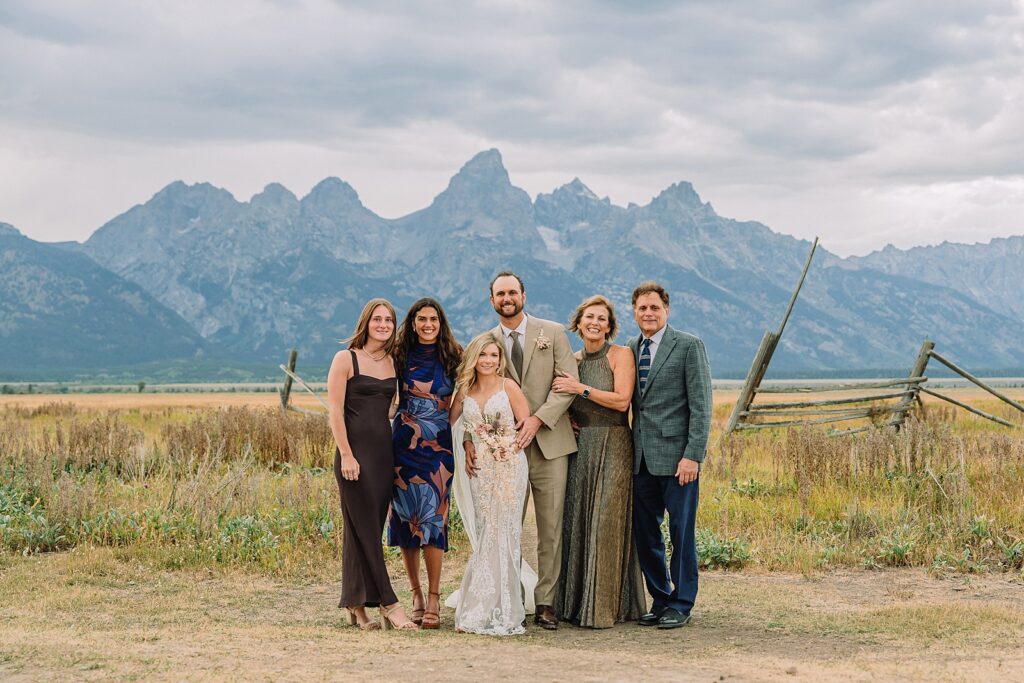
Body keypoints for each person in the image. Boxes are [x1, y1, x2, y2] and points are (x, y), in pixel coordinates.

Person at [475, 271, 578, 630]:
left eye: (512, 292)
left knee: (551, 527)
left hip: (550, 443)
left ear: (523, 295)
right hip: (503, 452)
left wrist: (538, 420)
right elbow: (473, 390)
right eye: (500, 293)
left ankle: (546, 602)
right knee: (507, 526)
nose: (507, 298)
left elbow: (567, 384)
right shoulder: (484, 342)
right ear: (492, 300)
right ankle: (512, 598)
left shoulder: (553, 332)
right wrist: (471, 441)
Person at [551, 295, 645, 628]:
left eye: (602, 318)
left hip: (614, 443)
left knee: (606, 521)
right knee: (577, 521)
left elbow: (621, 401)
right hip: (580, 448)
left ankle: (604, 608)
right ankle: (574, 605)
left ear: (609, 326)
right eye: (589, 317)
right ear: (578, 323)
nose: (595, 322)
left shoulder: (620, 355)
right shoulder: (571, 360)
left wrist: (581, 388)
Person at [327, 298, 417, 631]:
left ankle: (355, 604)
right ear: (366, 322)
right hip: (354, 456)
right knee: (364, 529)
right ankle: (389, 604)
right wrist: (346, 454)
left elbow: (390, 410)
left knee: (363, 530)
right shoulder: (346, 358)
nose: (383, 325)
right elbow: (335, 411)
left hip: (383, 456)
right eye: (377, 319)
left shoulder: (393, 362)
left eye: (389, 320)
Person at [626, 281, 712, 629]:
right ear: (634, 312)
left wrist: (693, 456)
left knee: (681, 533)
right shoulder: (630, 348)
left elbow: (702, 406)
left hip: (679, 461)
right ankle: (661, 598)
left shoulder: (688, 346)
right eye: (642, 308)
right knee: (646, 534)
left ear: (666, 310)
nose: (648, 313)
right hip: (641, 459)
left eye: (655, 308)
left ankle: (682, 602)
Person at [387, 298, 461, 630]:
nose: (428, 324)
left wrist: (450, 427)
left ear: (440, 323)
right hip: (403, 444)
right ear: (413, 323)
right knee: (406, 519)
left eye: (433, 319)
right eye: (422, 319)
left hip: (439, 446)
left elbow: (466, 396)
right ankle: (415, 594)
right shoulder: (399, 354)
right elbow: (386, 396)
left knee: (434, 519)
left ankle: (434, 598)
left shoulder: (454, 355)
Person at [450, 335, 531, 635]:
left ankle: (504, 609)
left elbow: (526, 426)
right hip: (479, 470)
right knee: (487, 531)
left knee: (504, 531)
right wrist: (467, 441)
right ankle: (481, 604)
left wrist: (506, 448)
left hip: (509, 467)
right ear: (474, 358)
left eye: (494, 355)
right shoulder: (464, 390)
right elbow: (451, 423)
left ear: (500, 359)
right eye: (483, 354)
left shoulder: (508, 386)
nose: (488, 360)